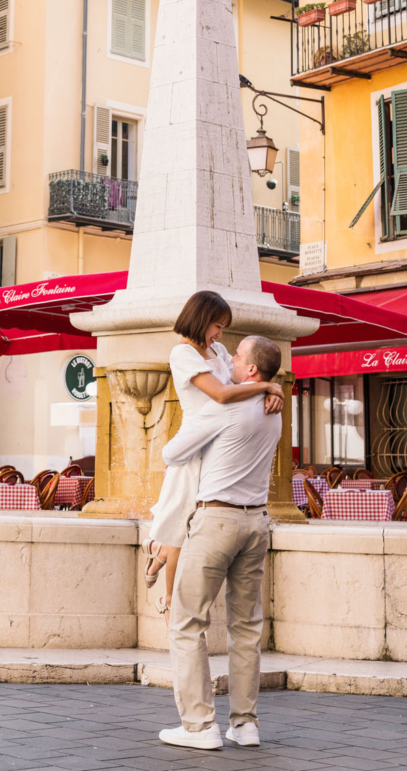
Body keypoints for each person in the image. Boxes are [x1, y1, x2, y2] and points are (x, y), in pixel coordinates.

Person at [157, 333, 284, 752]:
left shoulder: (224, 407)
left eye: (237, 358)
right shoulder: (274, 410)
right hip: (257, 523)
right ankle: (245, 724)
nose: (227, 362)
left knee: (187, 621)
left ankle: (199, 726)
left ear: (251, 370)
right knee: (246, 628)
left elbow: (172, 454)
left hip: (217, 522)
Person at [145, 292, 283, 614]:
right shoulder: (182, 354)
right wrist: (267, 387)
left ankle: (155, 553)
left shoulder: (217, 350)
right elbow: (221, 394)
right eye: (217, 325)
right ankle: (169, 603)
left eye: (222, 327)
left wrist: (270, 390)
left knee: (186, 527)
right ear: (200, 319)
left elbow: (236, 383)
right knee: (180, 527)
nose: (220, 334)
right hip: (196, 440)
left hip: (220, 440)